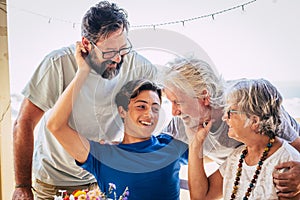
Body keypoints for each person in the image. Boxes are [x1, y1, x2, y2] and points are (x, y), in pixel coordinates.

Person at [12, 1, 157, 199]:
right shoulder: (57, 64)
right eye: (109, 52)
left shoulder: (137, 66)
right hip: (53, 181)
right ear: (87, 44)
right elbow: (24, 122)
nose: (117, 59)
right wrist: (22, 185)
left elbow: (162, 104)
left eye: (122, 49)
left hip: (102, 179)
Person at [46, 52, 188, 199]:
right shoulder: (103, 155)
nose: (150, 114)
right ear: (123, 111)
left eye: (155, 108)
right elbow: (56, 126)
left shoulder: (171, 146)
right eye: (141, 106)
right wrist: (83, 71)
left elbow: (210, 158)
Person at [161, 57, 300, 197]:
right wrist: (195, 143)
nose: (174, 112)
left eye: (177, 102)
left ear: (204, 96)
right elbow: (152, 155)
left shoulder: (252, 102)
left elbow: (295, 149)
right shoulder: (234, 158)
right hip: (240, 176)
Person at [188, 78, 300, 200]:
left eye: (230, 112)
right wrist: (196, 144)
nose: (225, 117)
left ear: (254, 121)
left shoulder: (287, 162)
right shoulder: (236, 157)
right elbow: (200, 197)